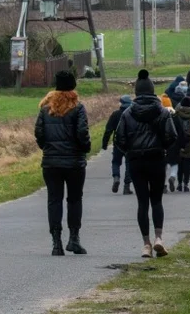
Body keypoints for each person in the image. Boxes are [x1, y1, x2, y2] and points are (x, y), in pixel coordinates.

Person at [115, 69, 179, 259]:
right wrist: (162, 147)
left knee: (142, 202)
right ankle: (159, 237)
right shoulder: (162, 111)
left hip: (136, 160)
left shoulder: (127, 113)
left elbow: (119, 138)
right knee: (157, 200)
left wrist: (129, 151)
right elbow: (172, 135)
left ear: (136, 92)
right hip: (156, 158)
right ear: (152, 91)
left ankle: (146, 244)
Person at [34, 70, 91, 256]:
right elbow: (82, 133)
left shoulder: (45, 109)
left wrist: (48, 148)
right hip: (74, 162)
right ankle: (74, 239)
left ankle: (56, 242)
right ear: (73, 87)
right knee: (74, 199)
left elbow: (39, 134)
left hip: (51, 163)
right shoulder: (78, 108)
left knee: (54, 200)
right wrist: (85, 148)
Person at [102, 94, 133, 194]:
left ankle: (116, 177)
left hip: (118, 143)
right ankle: (126, 186)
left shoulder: (115, 114)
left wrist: (105, 143)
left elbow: (108, 130)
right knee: (129, 165)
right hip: (130, 144)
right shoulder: (133, 114)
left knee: (116, 162)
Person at [173, 97, 190, 192]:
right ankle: (186, 183)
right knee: (187, 163)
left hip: (178, 141)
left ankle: (179, 183)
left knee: (180, 163)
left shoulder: (176, 115)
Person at [160, 94, 182, 193]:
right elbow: (180, 131)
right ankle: (172, 177)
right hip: (174, 144)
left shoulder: (160, 116)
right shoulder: (175, 116)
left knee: (162, 166)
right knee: (174, 163)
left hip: (162, 144)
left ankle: (163, 185)